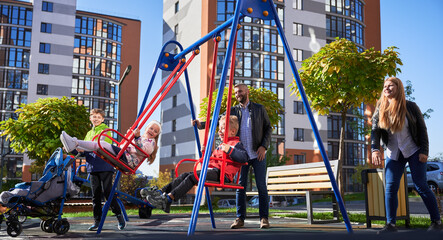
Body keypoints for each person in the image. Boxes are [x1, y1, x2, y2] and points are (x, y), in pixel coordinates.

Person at [193, 83, 272, 229]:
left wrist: (264, 146)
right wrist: (201, 124)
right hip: (241, 155)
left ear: (247, 92)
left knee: (261, 186)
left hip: (257, 153)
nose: (238, 94)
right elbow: (218, 121)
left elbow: (268, 128)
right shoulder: (233, 111)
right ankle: (240, 218)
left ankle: (264, 218)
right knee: (240, 186)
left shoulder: (259, 109)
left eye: (240, 91)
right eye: (235, 93)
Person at [371, 77, 442, 233]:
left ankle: (436, 221)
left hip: (413, 150)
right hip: (393, 152)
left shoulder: (410, 107)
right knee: (390, 187)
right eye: (385, 86)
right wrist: (375, 149)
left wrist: (424, 151)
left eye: (390, 86)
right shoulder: (380, 108)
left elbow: (422, 130)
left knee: (420, 185)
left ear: (399, 88)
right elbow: (375, 130)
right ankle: (391, 225)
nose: (387, 88)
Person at [145, 115, 248, 213]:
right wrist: (206, 155)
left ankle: (169, 199)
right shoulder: (221, 145)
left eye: (223, 128)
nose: (219, 131)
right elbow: (213, 162)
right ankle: (160, 192)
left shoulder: (235, 144)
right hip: (213, 171)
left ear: (233, 131)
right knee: (184, 175)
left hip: (222, 174)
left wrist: (229, 150)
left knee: (193, 177)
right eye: (219, 128)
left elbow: (244, 158)